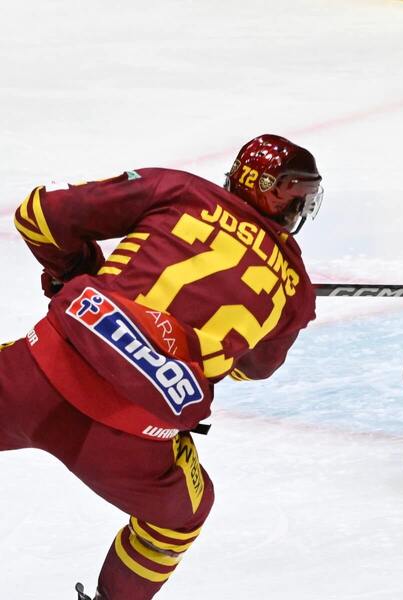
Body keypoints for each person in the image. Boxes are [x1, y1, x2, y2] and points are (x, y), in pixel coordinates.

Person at [1, 134, 323, 599]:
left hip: (36, 376)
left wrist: (76, 269)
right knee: (179, 520)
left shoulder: (180, 190)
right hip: (130, 440)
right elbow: (252, 369)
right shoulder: (295, 290)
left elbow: (37, 215)